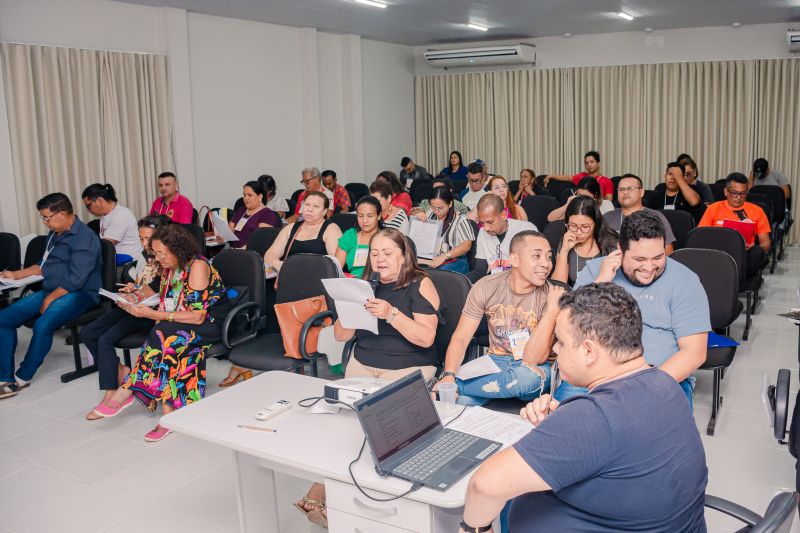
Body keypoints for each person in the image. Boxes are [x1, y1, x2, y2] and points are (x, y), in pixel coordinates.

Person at [460, 283, 707, 533]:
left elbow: (484, 485)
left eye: (561, 342)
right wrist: (560, 424)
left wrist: (475, 529)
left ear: (589, 351)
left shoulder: (594, 418)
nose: (555, 349)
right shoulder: (665, 385)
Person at [296, 229, 442, 528]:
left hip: (407, 368)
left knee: (379, 428)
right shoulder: (365, 284)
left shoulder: (421, 283)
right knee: (340, 427)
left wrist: (391, 314)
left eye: (387, 253)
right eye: (375, 253)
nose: (380, 259)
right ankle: (331, 494)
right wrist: (349, 307)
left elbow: (427, 338)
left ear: (404, 255)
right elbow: (340, 336)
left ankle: (343, 499)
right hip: (362, 364)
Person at [87, 224, 227, 442]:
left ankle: (129, 390)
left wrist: (153, 314)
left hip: (211, 322)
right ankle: (169, 414)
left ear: (178, 250)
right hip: (182, 321)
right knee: (169, 339)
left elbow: (197, 316)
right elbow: (154, 290)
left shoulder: (197, 266)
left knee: (166, 335)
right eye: (156, 253)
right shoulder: (169, 266)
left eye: (162, 253)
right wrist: (133, 297)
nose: (158, 258)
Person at [575, 210, 710, 407]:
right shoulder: (596, 271)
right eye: (639, 260)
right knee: (568, 420)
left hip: (661, 377)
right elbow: (571, 329)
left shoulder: (685, 281)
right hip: (595, 377)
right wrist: (600, 284)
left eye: (658, 257)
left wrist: (645, 389)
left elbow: (694, 353)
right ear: (620, 250)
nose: (649, 267)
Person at [435, 230, 561, 407]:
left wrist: (552, 311)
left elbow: (535, 360)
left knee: (526, 379)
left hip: (532, 369)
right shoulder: (487, 286)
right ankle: (481, 388)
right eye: (537, 256)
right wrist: (449, 375)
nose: (546, 264)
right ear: (514, 260)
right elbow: (461, 338)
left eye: (548, 257)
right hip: (495, 363)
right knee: (456, 402)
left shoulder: (553, 296)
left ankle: (459, 387)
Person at [0, 193, 103, 399]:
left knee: (43, 324)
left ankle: (22, 377)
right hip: (53, 289)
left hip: (80, 293)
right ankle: (5, 377)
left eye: (47, 217)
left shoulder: (84, 238)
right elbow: (44, 264)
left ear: (62, 213)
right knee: (3, 319)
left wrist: (48, 299)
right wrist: (16, 274)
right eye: (43, 217)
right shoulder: (55, 233)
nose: (45, 222)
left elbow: (75, 280)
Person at [81, 215, 171, 419]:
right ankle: (120, 370)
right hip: (135, 305)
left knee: (105, 339)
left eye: (148, 238)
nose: (144, 243)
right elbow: (143, 283)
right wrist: (134, 288)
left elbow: (156, 289)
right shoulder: (147, 256)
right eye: (141, 238)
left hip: (149, 312)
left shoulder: (167, 258)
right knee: (88, 333)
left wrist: (137, 294)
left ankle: (110, 392)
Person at [698, 172, 771, 277]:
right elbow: (701, 235)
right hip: (719, 254)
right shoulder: (713, 209)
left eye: (743, 193)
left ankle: (732, 276)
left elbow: (766, 243)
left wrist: (753, 246)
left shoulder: (757, 211)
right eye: (734, 193)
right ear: (726, 192)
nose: (738, 197)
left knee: (758, 253)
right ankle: (733, 276)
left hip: (745, 255)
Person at [264, 191, 342, 274]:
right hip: (289, 275)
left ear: (324, 211)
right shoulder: (290, 228)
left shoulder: (331, 229)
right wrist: (278, 264)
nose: (309, 209)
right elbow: (270, 254)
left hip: (318, 276)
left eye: (316, 206)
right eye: (307, 204)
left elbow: (336, 264)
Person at [552, 196, 618, 287]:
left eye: (585, 227)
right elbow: (558, 286)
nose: (578, 232)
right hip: (574, 295)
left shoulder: (611, 242)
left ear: (596, 223)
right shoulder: (567, 240)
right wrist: (564, 251)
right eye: (573, 226)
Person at [603, 173, 676, 254]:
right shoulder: (607, 217)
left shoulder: (656, 217)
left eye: (630, 188)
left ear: (641, 192)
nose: (625, 192)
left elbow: (668, 250)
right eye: (621, 189)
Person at [471, 194, 536, 278]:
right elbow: (480, 271)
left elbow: (534, 267)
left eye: (490, 222)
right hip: (495, 282)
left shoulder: (526, 229)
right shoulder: (482, 233)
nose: (486, 228)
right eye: (482, 223)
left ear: (503, 215)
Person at [416, 187, 475, 274]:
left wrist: (445, 256)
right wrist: (419, 219)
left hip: (455, 261)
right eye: (433, 207)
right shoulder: (429, 215)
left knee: (438, 273)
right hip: (431, 257)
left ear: (450, 204)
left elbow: (466, 246)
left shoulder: (461, 220)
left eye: (440, 208)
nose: (436, 211)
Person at [82, 183, 143, 266]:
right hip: (116, 262)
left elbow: (106, 245)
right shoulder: (105, 216)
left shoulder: (121, 214)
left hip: (129, 265)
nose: (88, 210)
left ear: (100, 200)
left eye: (89, 205)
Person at [335, 195, 383, 278]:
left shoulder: (387, 238)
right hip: (353, 282)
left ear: (379, 216)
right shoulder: (350, 235)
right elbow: (336, 269)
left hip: (379, 282)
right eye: (360, 216)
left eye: (370, 216)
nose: (364, 220)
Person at [226, 180, 281, 249]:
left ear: (260, 196)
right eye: (244, 195)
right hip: (232, 249)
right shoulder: (241, 211)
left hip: (250, 252)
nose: (245, 198)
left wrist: (239, 250)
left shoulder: (268, 215)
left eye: (250, 195)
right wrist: (222, 238)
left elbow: (260, 240)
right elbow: (229, 232)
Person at [544, 151, 613, 200]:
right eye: (586, 163)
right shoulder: (582, 176)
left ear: (598, 163)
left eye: (592, 162)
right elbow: (567, 177)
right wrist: (550, 176)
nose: (589, 164)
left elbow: (609, 200)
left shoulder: (607, 181)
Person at [547, 177, 613, 222]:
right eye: (580, 195)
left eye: (586, 196)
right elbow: (550, 219)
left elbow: (610, 226)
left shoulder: (607, 204)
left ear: (595, 195)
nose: (582, 198)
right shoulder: (576, 204)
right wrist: (567, 205)